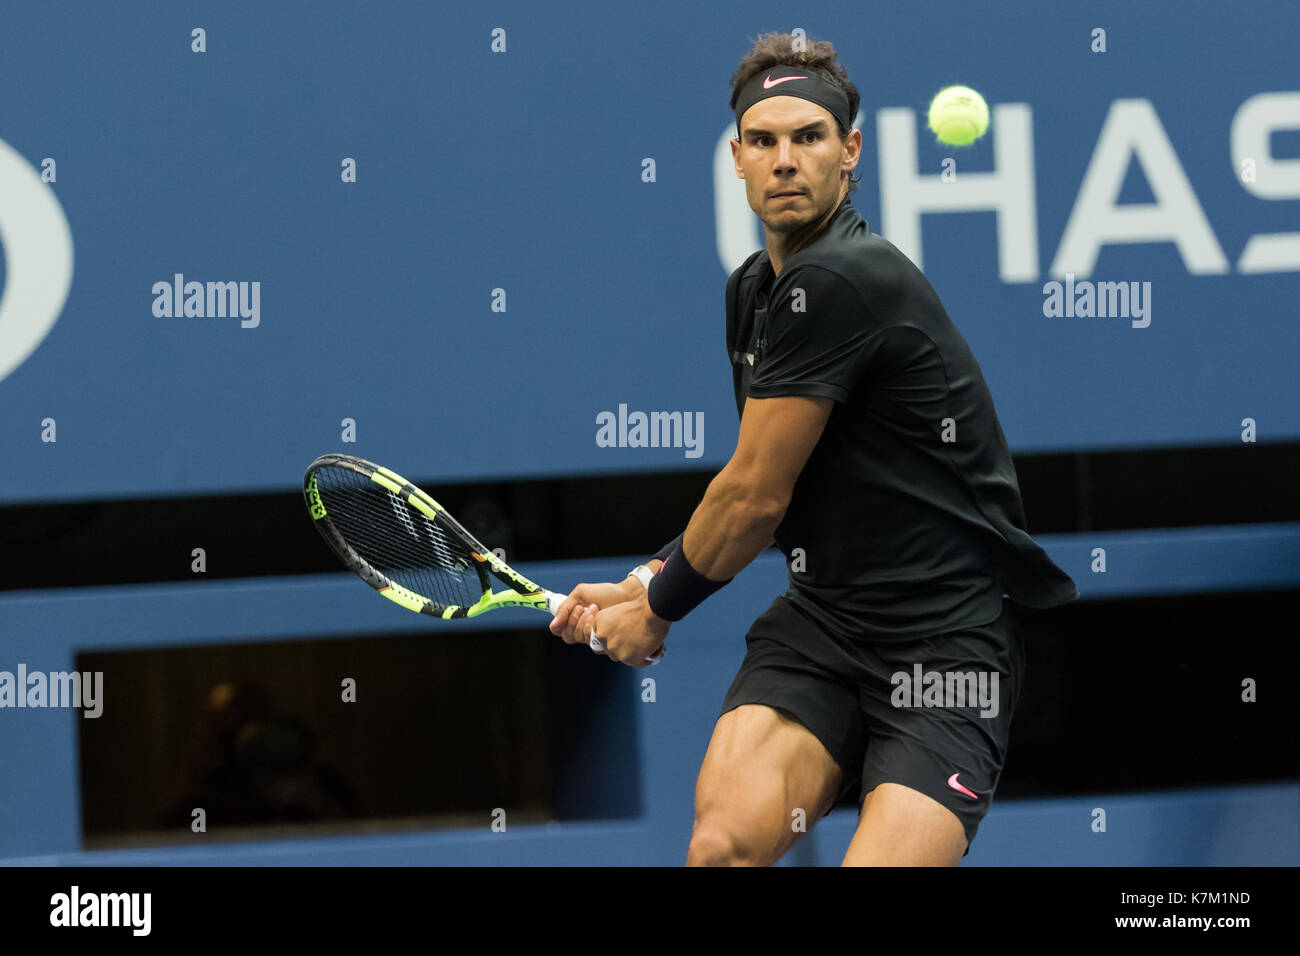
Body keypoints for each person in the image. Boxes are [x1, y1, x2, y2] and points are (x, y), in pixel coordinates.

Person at [549, 32, 1075, 866]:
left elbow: (753, 498)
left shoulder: (842, 280)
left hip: (945, 646)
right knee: (723, 848)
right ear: (737, 158)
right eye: (764, 141)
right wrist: (648, 576)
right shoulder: (754, 291)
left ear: (850, 150)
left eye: (809, 137)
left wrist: (657, 609)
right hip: (823, 626)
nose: (785, 160)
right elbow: (771, 481)